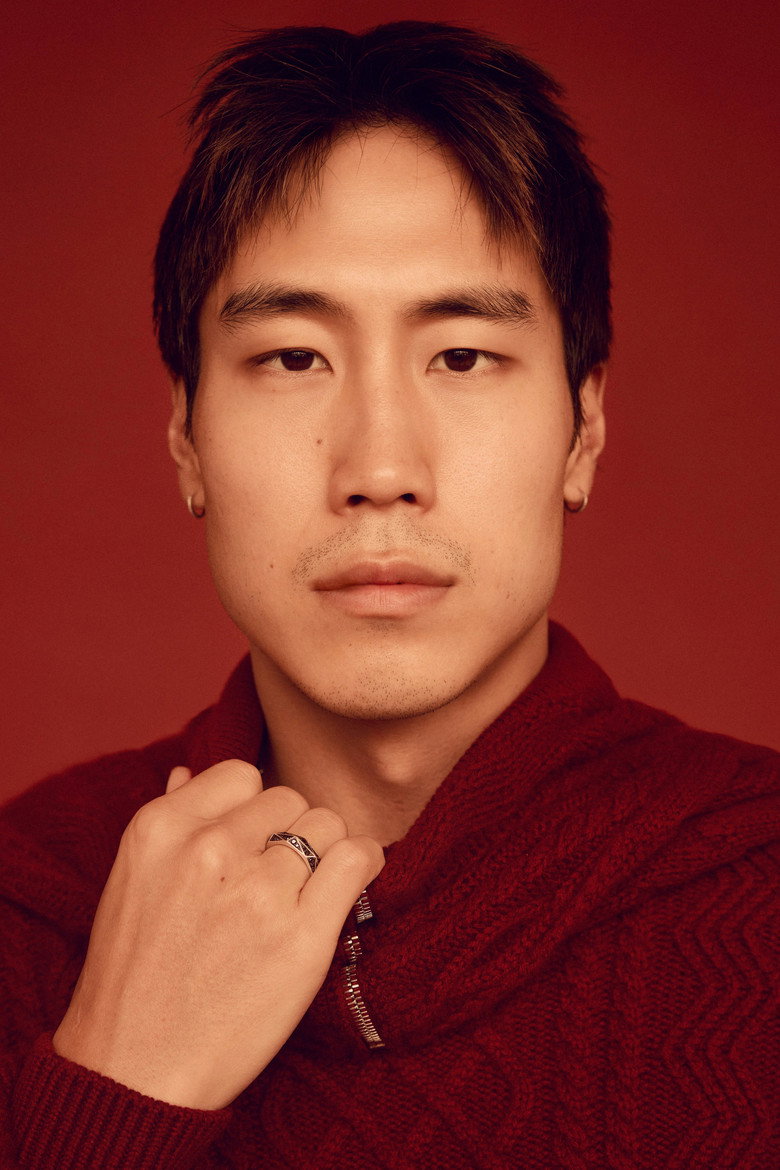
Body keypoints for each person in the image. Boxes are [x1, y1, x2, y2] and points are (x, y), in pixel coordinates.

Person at [1, 20, 777, 1170]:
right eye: (292, 358)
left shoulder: (753, 878)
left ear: (584, 430)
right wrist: (114, 1092)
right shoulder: (30, 905)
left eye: (462, 357)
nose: (378, 469)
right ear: (186, 438)